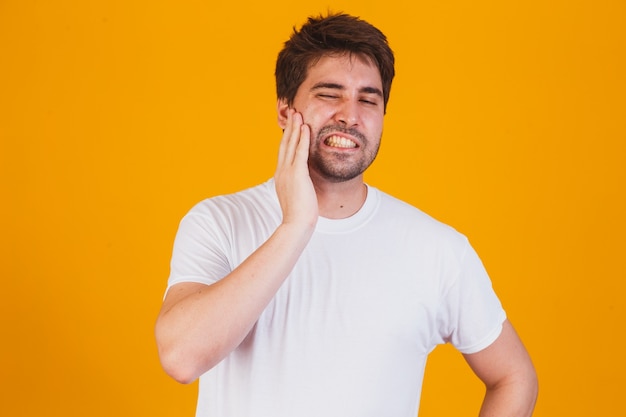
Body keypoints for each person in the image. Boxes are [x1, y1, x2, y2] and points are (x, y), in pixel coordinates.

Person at [155, 12, 538, 417]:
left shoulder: (438, 249)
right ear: (285, 110)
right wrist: (296, 226)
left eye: (368, 99)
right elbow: (182, 358)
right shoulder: (219, 222)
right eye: (329, 93)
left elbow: (514, 377)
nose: (350, 115)